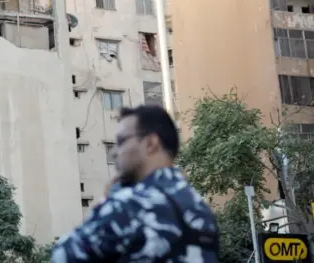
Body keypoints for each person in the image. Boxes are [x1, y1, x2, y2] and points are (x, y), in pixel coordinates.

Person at [51, 105, 219, 262]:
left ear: (150, 143)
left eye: (121, 141)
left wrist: (108, 200)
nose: (115, 152)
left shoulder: (129, 204)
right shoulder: (201, 210)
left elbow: (62, 255)